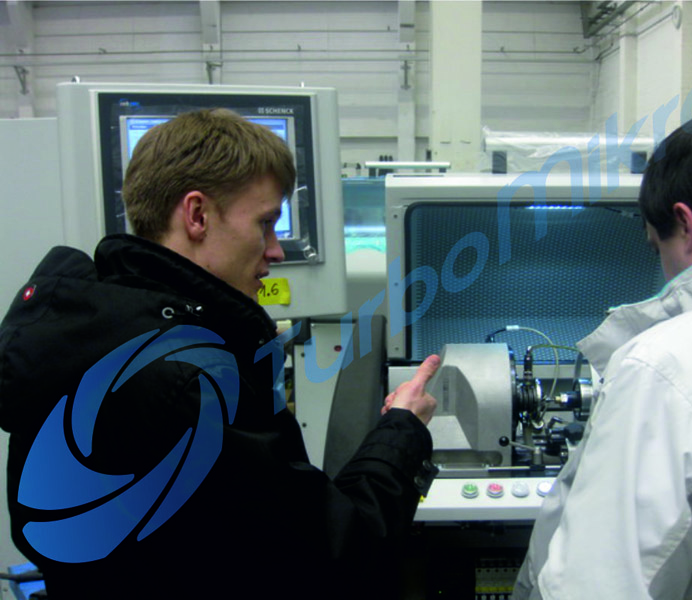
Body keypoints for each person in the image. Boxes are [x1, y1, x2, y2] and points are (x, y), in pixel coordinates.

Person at [0, 108, 440, 599]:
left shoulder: (78, 339)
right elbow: (339, 557)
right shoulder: (192, 382)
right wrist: (403, 429)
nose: (276, 250)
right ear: (197, 215)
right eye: (265, 223)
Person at [513, 113, 692, 600]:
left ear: (685, 224)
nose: (661, 264)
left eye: (654, 246)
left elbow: (601, 585)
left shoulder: (667, 369)